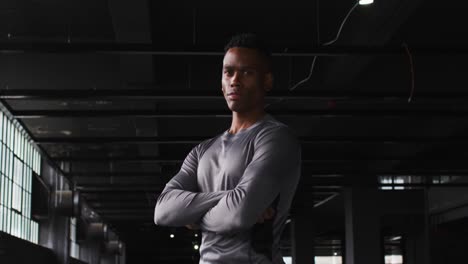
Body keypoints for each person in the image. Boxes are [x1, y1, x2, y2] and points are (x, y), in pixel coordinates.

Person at [154, 33, 301, 264]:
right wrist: (229, 197)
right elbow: (163, 211)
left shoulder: (277, 138)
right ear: (222, 84)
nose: (235, 80)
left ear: (267, 81)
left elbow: (237, 215)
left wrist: (192, 215)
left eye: (247, 72)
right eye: (228, 72)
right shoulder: (202, 150)